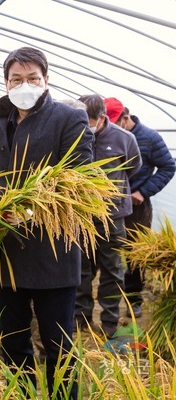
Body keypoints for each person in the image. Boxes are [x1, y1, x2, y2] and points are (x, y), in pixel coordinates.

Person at [0, 47, 93, 399]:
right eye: (16, 79)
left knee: (57, 341)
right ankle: (24, 393)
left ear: (46, 81)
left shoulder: (68, 119)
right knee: (12, 339)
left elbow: (79, 180)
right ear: (6, 83)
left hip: (52, 251)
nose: (24, 85)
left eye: (33, 79)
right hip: (5, 251)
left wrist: (30, 210)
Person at [74, 95, 141, 338]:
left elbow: (134, 167)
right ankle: (80, 317)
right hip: (81, 215)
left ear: (101, 118)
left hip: (113, 215)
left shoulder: (124, 139)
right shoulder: (75, 135)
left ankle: (110, 320)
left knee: (112, 269)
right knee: (80, 268)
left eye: (88, 121)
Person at [106, 98, 176, 318]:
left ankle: (133, 300)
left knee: (135, 256)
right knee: (105, 254)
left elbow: (168, 166)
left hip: (137, 206)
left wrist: (143, 191)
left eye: (115, 122)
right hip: (109, 205)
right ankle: (105, 302)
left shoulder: (149, 138)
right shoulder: (104, 135)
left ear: (126, 118)